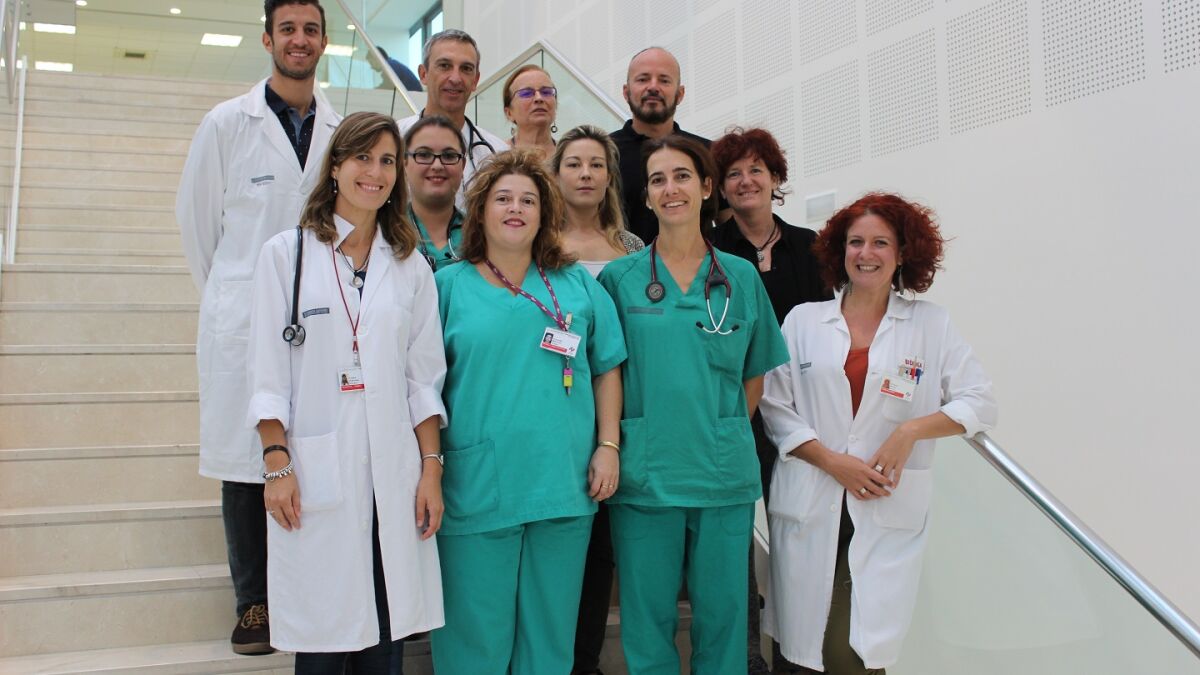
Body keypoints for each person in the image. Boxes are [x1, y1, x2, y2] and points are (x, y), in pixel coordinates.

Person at [759, 193, 997, 674]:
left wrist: (910, 431)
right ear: (840, 250)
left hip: (883, 507)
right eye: (856, 242)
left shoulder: (930, 324)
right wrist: (832, 461)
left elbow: (980, 401)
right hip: (812, 500)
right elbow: (775, 406)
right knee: (807, 650)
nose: (866, 253)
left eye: (880, 243)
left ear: (903, 253)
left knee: (856, 652)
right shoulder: (804, 321)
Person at [246, 111, 446, 672]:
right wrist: (277, 463)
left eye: (387, 161)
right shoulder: (285, 256)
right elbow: (266, 373)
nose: (375, 173)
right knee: (322, 643)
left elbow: (422, 380)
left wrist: (430, 470)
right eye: (362, 158)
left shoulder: (409, 266)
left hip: (394, 476)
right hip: (316, 472)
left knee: (384, 639)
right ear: (335, 167)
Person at [175, 0, 339, 655]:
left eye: (310, 30)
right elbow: (197, 226)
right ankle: (253, 601)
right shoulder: (226, 124)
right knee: (248, 461)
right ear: (267, 38)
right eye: (288, 29)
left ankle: (305, 591)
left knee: (314, 448)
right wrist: (239, 297)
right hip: (244, 315)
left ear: (324, 41)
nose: (299, 40)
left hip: (319, 314)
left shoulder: (338, 128)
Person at [597, 136, 789, 674]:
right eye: (657, 180)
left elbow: (755, 371)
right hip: (646, 473)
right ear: (647, 196)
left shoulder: (740, 276)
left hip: (721, 472)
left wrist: (722, 427)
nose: (670, 189)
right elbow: (607, 372)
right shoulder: (620, 279)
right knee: (646, 618)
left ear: (706, 188)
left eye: (681, 176)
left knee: (724, 619)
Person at [431, 149, 627, 674]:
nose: (515, 208)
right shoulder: (447, 286)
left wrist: (608, 446)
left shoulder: (575, 283)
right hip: (477, 486)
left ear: (545, 214)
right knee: (473, 641)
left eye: (528, 200)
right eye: (503, 198)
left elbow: (607, 366)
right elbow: (422, 386)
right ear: (480, 212)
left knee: (549, 640)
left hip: (561, 483)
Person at [547, 124, 642, 674]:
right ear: (555, 175)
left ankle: (585, 661)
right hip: (561, 409)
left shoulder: (632, 248)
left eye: (596, 165)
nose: (585, 174)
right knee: (561, 551)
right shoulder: (539, 245)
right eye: (574, 164)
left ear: (610, 177)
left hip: (624, 407)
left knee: (604, 547)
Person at [710, 127, 831, 503]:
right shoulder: (708, 250)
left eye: (756, 170)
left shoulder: (808, 245)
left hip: (800, 400)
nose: (746, 181)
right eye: (734, 174)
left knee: (803, 506)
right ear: (721, 188)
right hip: (736, 400)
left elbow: (824, 324)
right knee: (735, 506)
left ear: (775, 178)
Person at [610, 47, 728, 243]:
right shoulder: (603, 155)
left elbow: (731, 229)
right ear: (626, 92)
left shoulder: (709, 154)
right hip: (620, 263)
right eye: (643, 79)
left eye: (664, 80)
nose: (653, 87)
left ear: (680, 94)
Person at [398, 29, 507, 209]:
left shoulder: (497, 153)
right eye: (444, 66)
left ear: (475, 80)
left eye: (466, 69)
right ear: (423, 74)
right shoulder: (395, 139)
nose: (456, 78)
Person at [404, 114, 466, 271]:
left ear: (463, 165)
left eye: (449, 156)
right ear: (404, 163)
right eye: (424, 155)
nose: (437, 165)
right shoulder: (382, 232)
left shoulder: (484, 236)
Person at [503, 64, 558, 159]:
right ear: (509, 113)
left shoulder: (569, 155)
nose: (539, 98)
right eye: (526, 93)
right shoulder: (496, 154)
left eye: (546, 92)